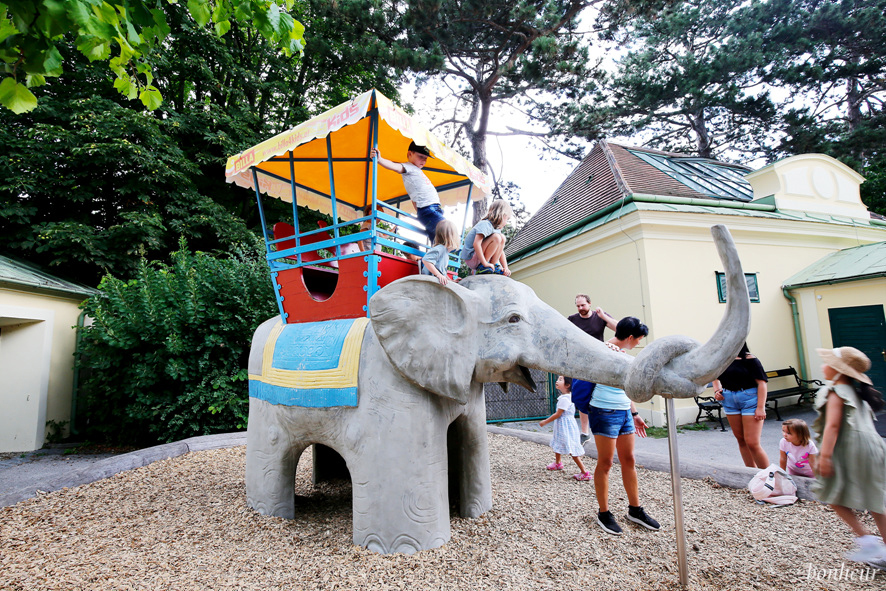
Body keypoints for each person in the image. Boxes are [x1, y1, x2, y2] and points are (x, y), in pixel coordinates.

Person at [813, 346, 886, 568]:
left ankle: (867, 540)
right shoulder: (857, 392)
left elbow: (832, 426)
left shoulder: (837, 391)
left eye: (827, 363)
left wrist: (824, 457)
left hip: (853, 447)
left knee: (829, 492)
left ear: (838, 370)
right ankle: (877, 544)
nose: (822, 366)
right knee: (877, 501)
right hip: (874, 447)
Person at [588, 316, 660, 535]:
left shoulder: (622, 353)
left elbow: (625, 388)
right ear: (630, 337)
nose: (637, 344)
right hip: (604, 411)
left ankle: (635, 509)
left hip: (623, 412)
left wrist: (635, 413)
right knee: (606, 462)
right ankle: (604, 512)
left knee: (629, 460)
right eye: (637, 340)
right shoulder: (605, 350)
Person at [370, 142, 444, 242]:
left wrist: (419, 212)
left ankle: (436, 256)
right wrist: (380, 159)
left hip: (433, 208)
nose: (423, 161)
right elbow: (395, 166)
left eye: (425, 158)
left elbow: (414, 198)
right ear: (410, 154)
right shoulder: (409, 167)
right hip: (428, 209)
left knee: (438, 240)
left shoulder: (417, 171)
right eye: (421, 156)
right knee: (446, 231)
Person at [712, 343, 770, 469]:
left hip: (750, 400)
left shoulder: (750, 359)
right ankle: (751, 474)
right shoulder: (722, 360)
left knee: (752, 443)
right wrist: (717, 391)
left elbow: (762, 383)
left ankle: (768, 477)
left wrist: (761, 407)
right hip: (729, 400)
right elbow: (714, 376)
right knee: (741, 440)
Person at [568, 295, 617, 442]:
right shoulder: (572, 319)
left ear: (590, 304)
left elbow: (620, 329)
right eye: (578, 306)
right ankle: (584, 432)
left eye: (583, 305)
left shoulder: (599, 316)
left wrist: (604, 316)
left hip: (599, 361)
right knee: (582, 397)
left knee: (600, 394)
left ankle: (604, 430)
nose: (580, 308)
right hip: (580, 363)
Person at [539, 376, 590, 481]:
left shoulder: (565, 399)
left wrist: (545, 422)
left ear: (567, 385)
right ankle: (557, 463)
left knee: (571, 448)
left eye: (560, 380)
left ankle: (584, 472)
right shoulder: (567, 397)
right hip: (564, 425)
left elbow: (558, 414)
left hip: (565, 426)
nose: (557, 381)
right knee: (558, 442)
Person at [460, 200, 513, 275]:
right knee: (497, 237)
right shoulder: (485, 224)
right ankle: (482, 266)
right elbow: (476, 244)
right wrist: (485, 263)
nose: (506, 222)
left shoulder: (496, 230)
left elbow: (501, 251)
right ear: (501, 215)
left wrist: (505, 267)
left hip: (480, 256)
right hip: (472, 257)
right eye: (507, 219)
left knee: (502, 238)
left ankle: (494, 265)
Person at [420, 220, 459, 285]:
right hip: (430, 282)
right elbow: (426, 260)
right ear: (451, 236)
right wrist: (438, 275)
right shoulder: (441, 248)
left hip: (435, 282)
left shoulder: (445, 252)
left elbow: (441, 272)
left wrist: (451, 281)